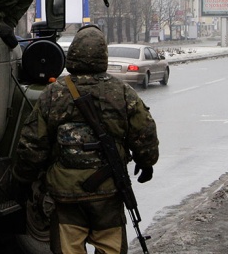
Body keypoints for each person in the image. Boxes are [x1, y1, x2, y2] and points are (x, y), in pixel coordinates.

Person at [13, 25, 159, 254]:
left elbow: (33, 143)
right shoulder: (122, 92)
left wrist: (23, 179)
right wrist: (146, 162)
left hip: (66, 196)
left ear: (72, 55)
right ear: (104, 55)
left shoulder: (53, 94)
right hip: (108, 194)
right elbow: (144, 133)